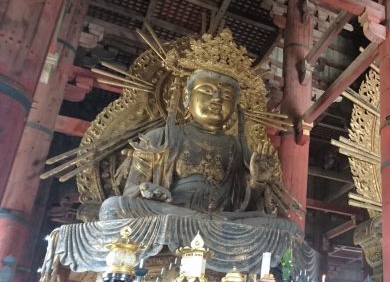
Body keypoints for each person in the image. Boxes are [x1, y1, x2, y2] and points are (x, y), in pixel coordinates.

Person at [99, 69, 275, 221]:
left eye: (227, 96)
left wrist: (258, 182)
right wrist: (147, 190)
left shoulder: (239, 150)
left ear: (236, 107)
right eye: (207, 91)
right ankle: (197, 222)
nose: (217, 100)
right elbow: (130, 191)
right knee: (113, 207)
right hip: (169, 214)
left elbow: (245, 208)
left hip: (221, 221)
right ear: (186, 97)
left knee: (279, 226)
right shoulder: (160, 138)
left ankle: (201, 223)